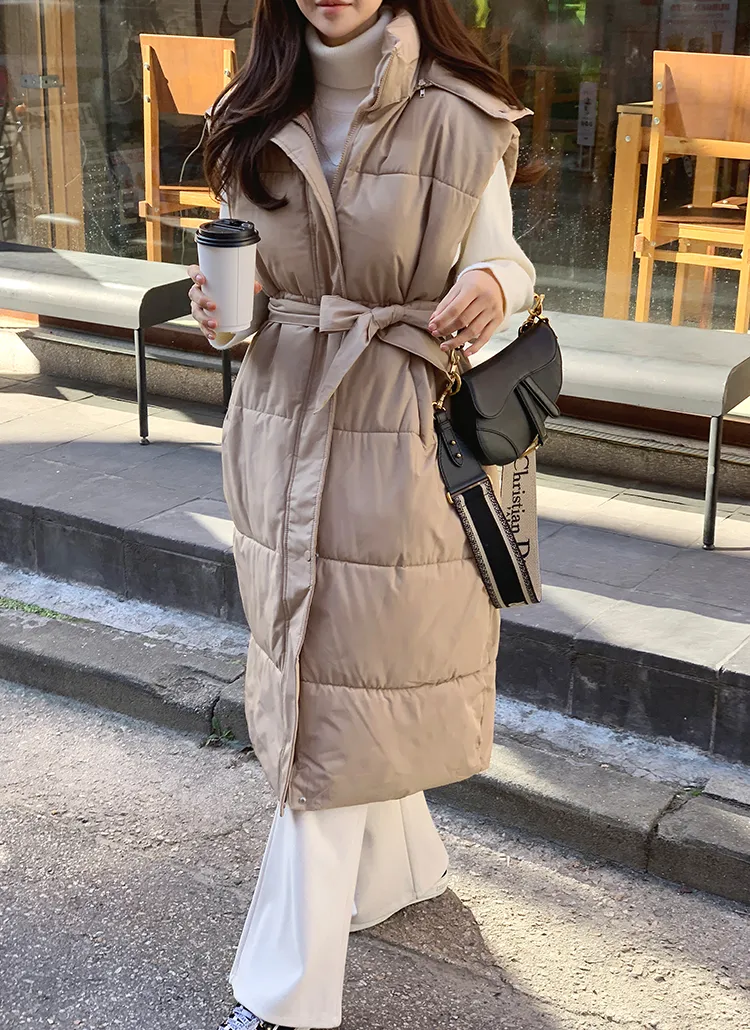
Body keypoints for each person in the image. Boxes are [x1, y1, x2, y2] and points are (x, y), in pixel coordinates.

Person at [188, 2, 535, 1027]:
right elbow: (243, 294)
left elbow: (511, 266)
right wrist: (222, 316)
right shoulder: (253, 106)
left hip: (399, 432)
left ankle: (285, 997)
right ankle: (400, 865)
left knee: (328, 697)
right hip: (280, 425)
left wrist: (491, 283)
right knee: (334, 677)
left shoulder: (461, 118)